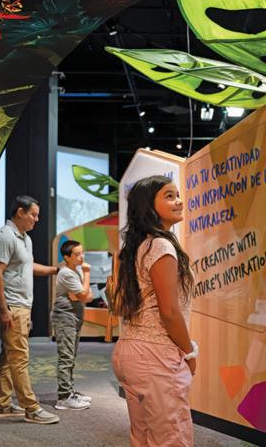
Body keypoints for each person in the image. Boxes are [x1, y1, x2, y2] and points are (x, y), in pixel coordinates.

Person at [111, 175, 197, 446]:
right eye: (169, 196)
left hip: (130, 350)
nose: (179, 201)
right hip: (155, 354)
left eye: (177, 195)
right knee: (172, 438)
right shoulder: (160, 245)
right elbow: (169, 311)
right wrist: (190, 352)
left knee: (143, 435)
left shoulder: (137, 246)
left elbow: (121, 304)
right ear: (148, 206)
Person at [0, 195, 60, 424]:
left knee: (9, 356)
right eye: (33, 215)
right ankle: (31, 408)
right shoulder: (4, 236)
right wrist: (3, 309)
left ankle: (3, 404)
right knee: (19, 357)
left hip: (20, 306)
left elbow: (27, 266)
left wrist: (55, 270)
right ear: (20, 212)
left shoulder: (24, 239)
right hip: (11, 306)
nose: (36, 219)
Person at [51, 240, 94, 410]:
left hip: (73, 317)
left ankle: (69, 392)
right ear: (67, 257)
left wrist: (82, 293)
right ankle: (64, 398)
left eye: (82, 253)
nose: (81, 256)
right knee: (66, 358)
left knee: (71, 357)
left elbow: (88, 296)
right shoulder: (67, 273)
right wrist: (87, 274)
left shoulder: (76, 270)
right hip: (65, 318)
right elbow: (84, 294)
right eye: (77, 254)